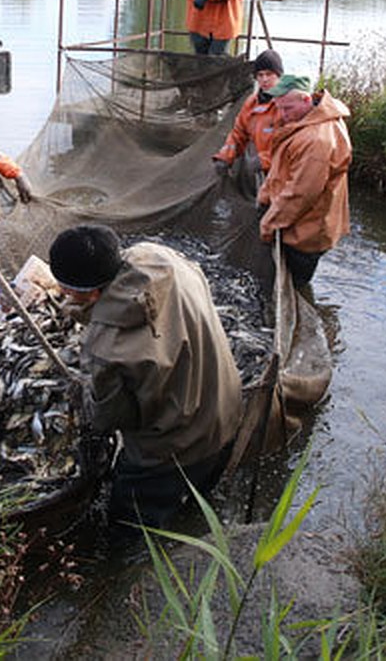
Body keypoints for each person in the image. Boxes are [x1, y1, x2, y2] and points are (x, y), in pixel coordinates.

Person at [48, 224, 243, 539]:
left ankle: (135, 576)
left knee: (130, 531)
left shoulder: (104, 348)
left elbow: (108, 418)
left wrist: (82, 391)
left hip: (171, 451)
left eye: (67, 289)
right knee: (200, 503)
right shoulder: (162, 259)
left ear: (90, 293)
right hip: (227, 414)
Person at [257, 74, 352, 287]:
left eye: (287, 108)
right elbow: (282, 168)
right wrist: (265, 197)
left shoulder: (316, 140)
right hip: (298, 221)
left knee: (294, 284)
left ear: (307, 100)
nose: (282, 114)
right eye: (279, 108)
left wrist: (268, 225)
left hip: (307, 234)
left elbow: (300, 194)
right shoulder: (305, 118)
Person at [212, 49, 285, 177]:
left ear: (279, 76)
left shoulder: (287, 105)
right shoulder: (251, 103)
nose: (264, 79)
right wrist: (224, 157)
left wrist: (263, 161)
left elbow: (290, 147)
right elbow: (238, 134)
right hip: (261, 170)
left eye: (269, 74)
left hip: (282, 171)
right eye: (260, 75)